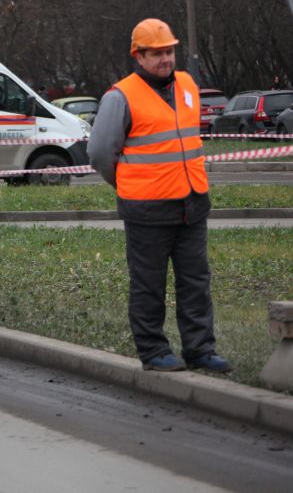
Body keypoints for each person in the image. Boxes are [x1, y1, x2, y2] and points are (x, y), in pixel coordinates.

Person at [88, 18, 231, 373]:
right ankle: (153, 351)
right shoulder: (120, 96)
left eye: (169, 51)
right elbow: (100, 152)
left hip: (192, 201)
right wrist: (128, 183)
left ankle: (200, 350)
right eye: (156, 54)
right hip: (147, 207)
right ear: (139, 56)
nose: (165, 59)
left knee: (196, 281)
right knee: (149, 284)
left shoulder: (187, 84)